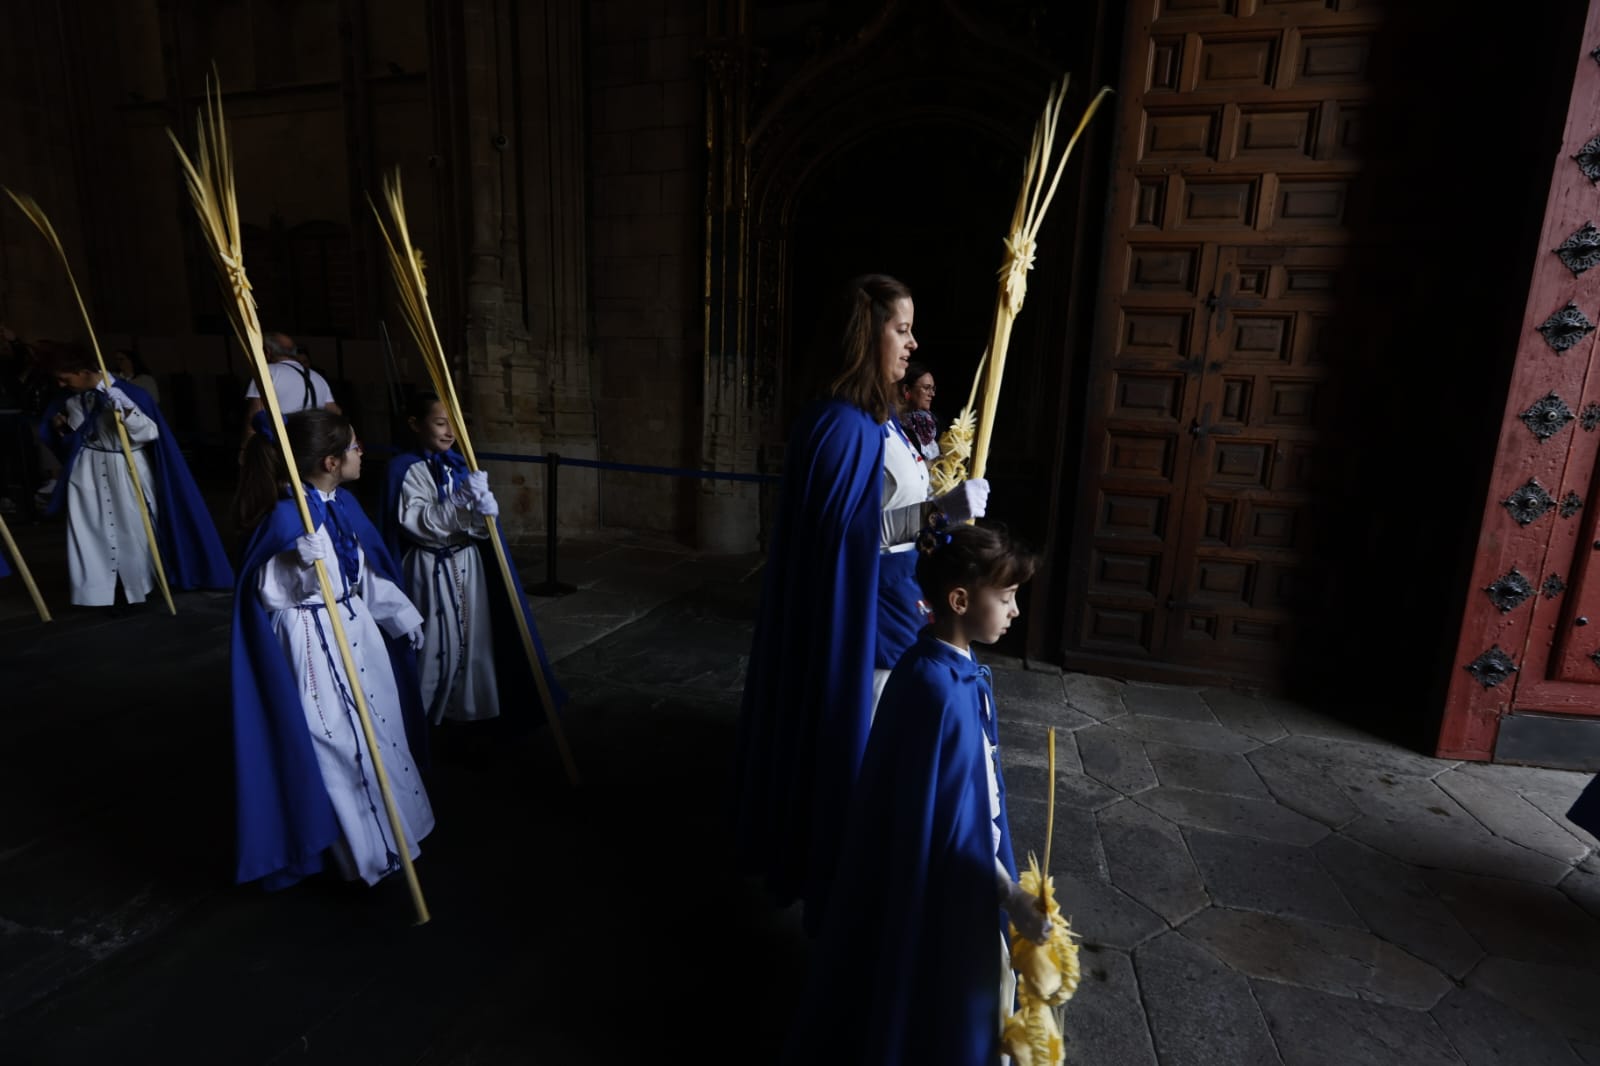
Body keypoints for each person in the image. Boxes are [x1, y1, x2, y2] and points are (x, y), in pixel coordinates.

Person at [734, 273, 989, 933]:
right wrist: (939, 511)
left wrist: (939, 514)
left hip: (894, 603)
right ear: (867, 333)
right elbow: (855, 534)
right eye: (901, 329)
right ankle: (849, 892)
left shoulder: (876, 421)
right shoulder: (840, 426)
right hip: (864, 617)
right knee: (860, 754)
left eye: (910, 330)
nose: (912, 344)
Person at [782, 521, 1051, 1066]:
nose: (1014, 612)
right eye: (1006, 598)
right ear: (958, 599)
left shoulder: (932, 662)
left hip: (957, 859)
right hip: (944, 888)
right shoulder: (936, 691)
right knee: (949, 1000)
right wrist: (1011, 896)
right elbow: (950, 838)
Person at [230, 408, 433, 890]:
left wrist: (401, 616)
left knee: (379, 727)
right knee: (338, 742)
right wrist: (296, 565)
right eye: (354, 447)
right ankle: (366, 854)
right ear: (329, 461)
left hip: (354, 627)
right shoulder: (285, 517)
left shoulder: (342, 504)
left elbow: (362, 573)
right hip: (310, 637)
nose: (361, 453)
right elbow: (269, 594)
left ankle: (402, 834)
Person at [378, 391, 567, 730]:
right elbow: (419, 524)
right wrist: (458, 502)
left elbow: (473, 525)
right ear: (415, 424)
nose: (450, 431)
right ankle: (423, 719)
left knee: (472, 638)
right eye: (440, 423)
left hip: (467, 565)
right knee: (435, 642)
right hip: (429, 567)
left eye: (455, 423)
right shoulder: (404, 470)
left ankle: (466, 713)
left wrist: (483, 515)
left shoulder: (459, 465)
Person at [37, 343, 232, 606]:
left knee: (132, 527)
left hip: (125, 466)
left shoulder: (129, 393)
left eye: (65, 378)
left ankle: (136, 588)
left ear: (83, 371)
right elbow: (69, 439)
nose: (61, 385)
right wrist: (61, 430)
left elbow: (150, 433)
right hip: (87, 470)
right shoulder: (69, 399)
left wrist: (127, 411)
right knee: (91, 530)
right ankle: (99, 592)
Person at [239, 332, 340, 459]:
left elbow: (254, 415)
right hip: (313, 449)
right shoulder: (317, 378)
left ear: (267, 352)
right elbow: (335, 413)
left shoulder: (266, 373)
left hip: (279, 451)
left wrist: (245, 449)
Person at [898, 360, 942, 462]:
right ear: (907, 389)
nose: (932, 394)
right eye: (926, 388)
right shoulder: (897, 426)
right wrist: (933, 464)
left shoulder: (937, 423)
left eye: (933, 389)